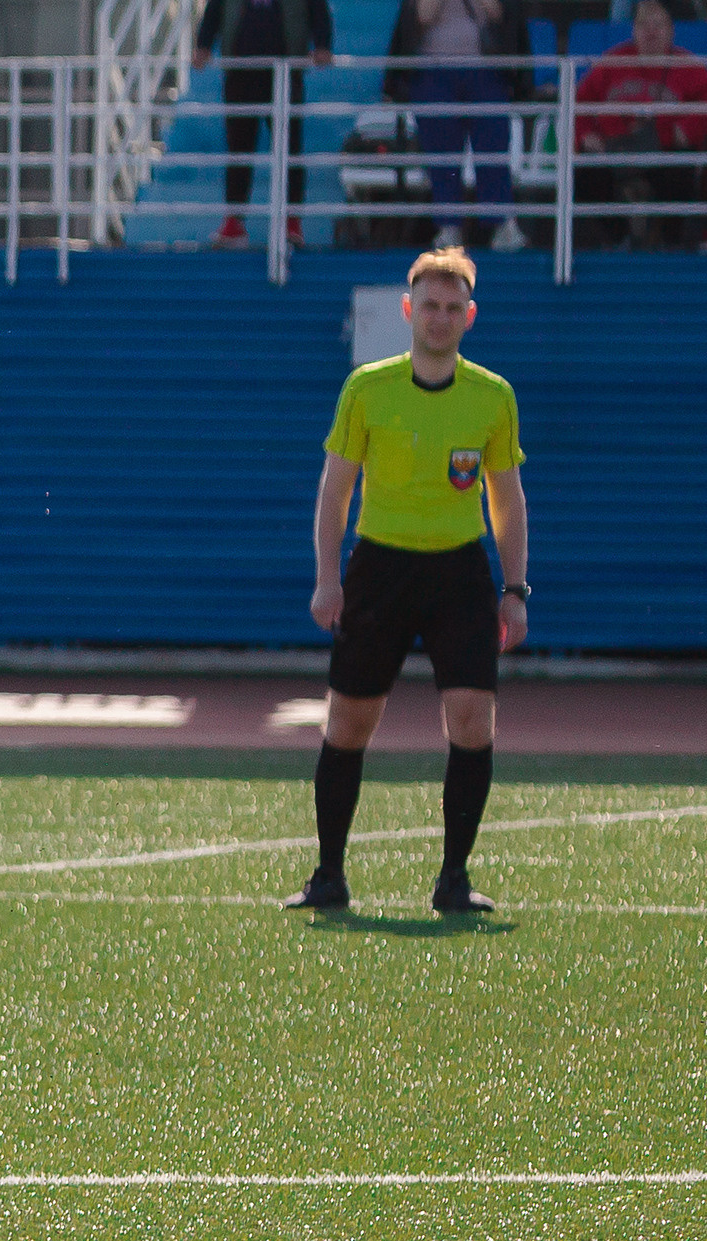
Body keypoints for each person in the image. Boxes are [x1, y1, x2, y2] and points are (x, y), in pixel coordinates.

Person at [286, 246, 529, 916]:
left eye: (453, 307)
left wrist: (514, 588)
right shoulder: (366, 388)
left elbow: (505, 500)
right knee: (348, 723)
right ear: (407, 310)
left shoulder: (491, 396)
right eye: (429, 305)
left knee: (472, 719)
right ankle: (327, 876)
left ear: (468, 316)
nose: (440, 317)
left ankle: (453, 880)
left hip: (457, 571)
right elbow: (333, 492)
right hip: (379, 567)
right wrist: (325, 579)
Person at [384, 0, 531, 250]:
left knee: (492, 150)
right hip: (434, 72)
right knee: (442, 156)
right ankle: (449, 227)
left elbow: (498, 13)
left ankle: (501, 223)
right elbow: (422, 16)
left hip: (485, 71)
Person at [191, 0, 335, 249]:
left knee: (290, 149)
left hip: (286, 71)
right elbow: (215, 10)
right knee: (238, 150)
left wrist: (323, 45)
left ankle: (292, 223)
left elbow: (318, 10)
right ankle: (234, 223)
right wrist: (203, 45)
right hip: (240, 71)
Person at [575, 0, 707, 249]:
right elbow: (580, 102)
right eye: (644, 24)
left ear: (671, 30)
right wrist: (585, 135)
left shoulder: (688, 67)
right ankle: (620, 238)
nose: (651, 32)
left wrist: (685, 130)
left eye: (658, 25)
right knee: (586, 177)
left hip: (664, 151)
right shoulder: (612, 63)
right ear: (633, 29)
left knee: (681, 173)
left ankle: (669, 244)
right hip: (614, 151)